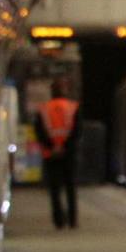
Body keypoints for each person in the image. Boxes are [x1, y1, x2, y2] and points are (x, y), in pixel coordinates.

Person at [34, 78, 78, 230]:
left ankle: (59, 221)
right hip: (68, 153)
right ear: (65, 91)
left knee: (55, 189)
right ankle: (72, 220)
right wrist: (64, 146)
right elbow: (77, 131)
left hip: (50, 154)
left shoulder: (44, 109)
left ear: (52, 92)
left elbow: (39, 131)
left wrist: (52, 146)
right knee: (70, 187)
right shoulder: (73, 107)